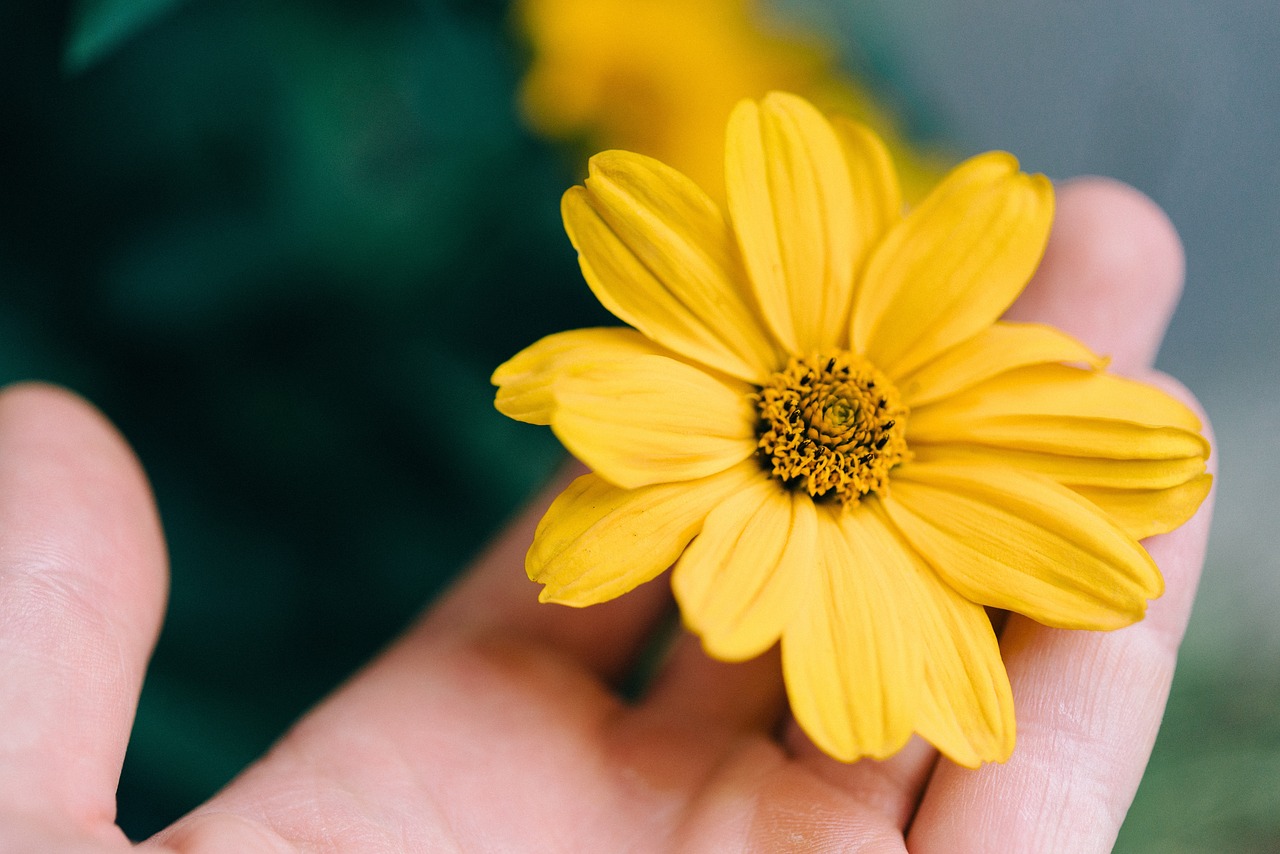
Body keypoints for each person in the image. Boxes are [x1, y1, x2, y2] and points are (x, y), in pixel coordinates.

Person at [0, 178, 1214, 852]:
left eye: (849, 426)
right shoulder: (763, 430)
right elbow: (611, 419)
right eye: (828, 420)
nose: (839, 429)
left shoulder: (870, 460)